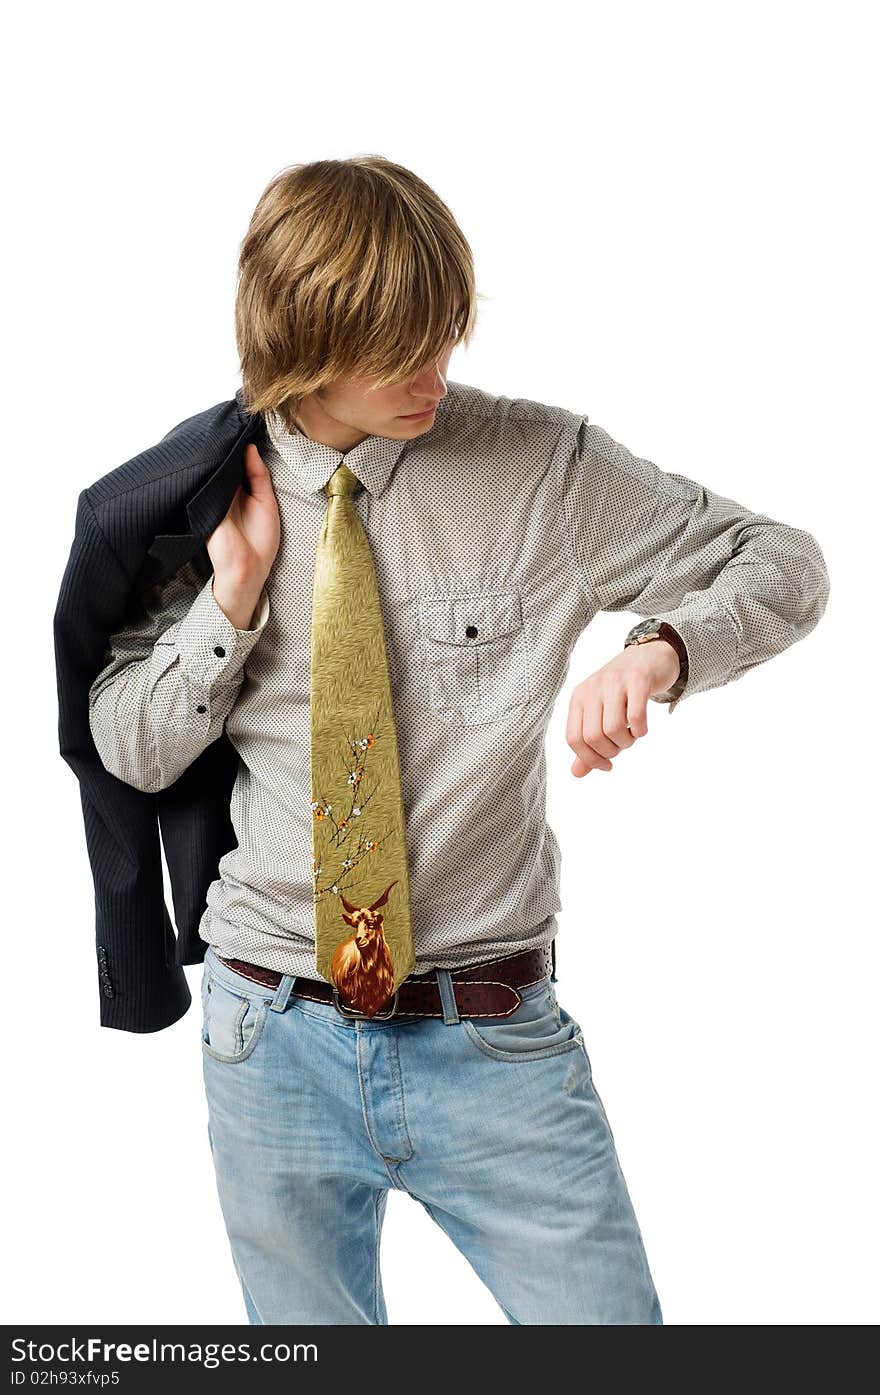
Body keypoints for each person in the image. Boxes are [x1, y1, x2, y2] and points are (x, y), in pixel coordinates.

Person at [86, 155, 830, 1325]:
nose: (437, 372)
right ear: (306, 337)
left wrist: (661, 650)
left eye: (447, 331)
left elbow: (783, 560)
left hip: (491, 1042)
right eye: (399, 347)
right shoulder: (187, 496)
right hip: (266, 1034)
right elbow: (125, 748)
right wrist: (227, 605)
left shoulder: (542, 469)